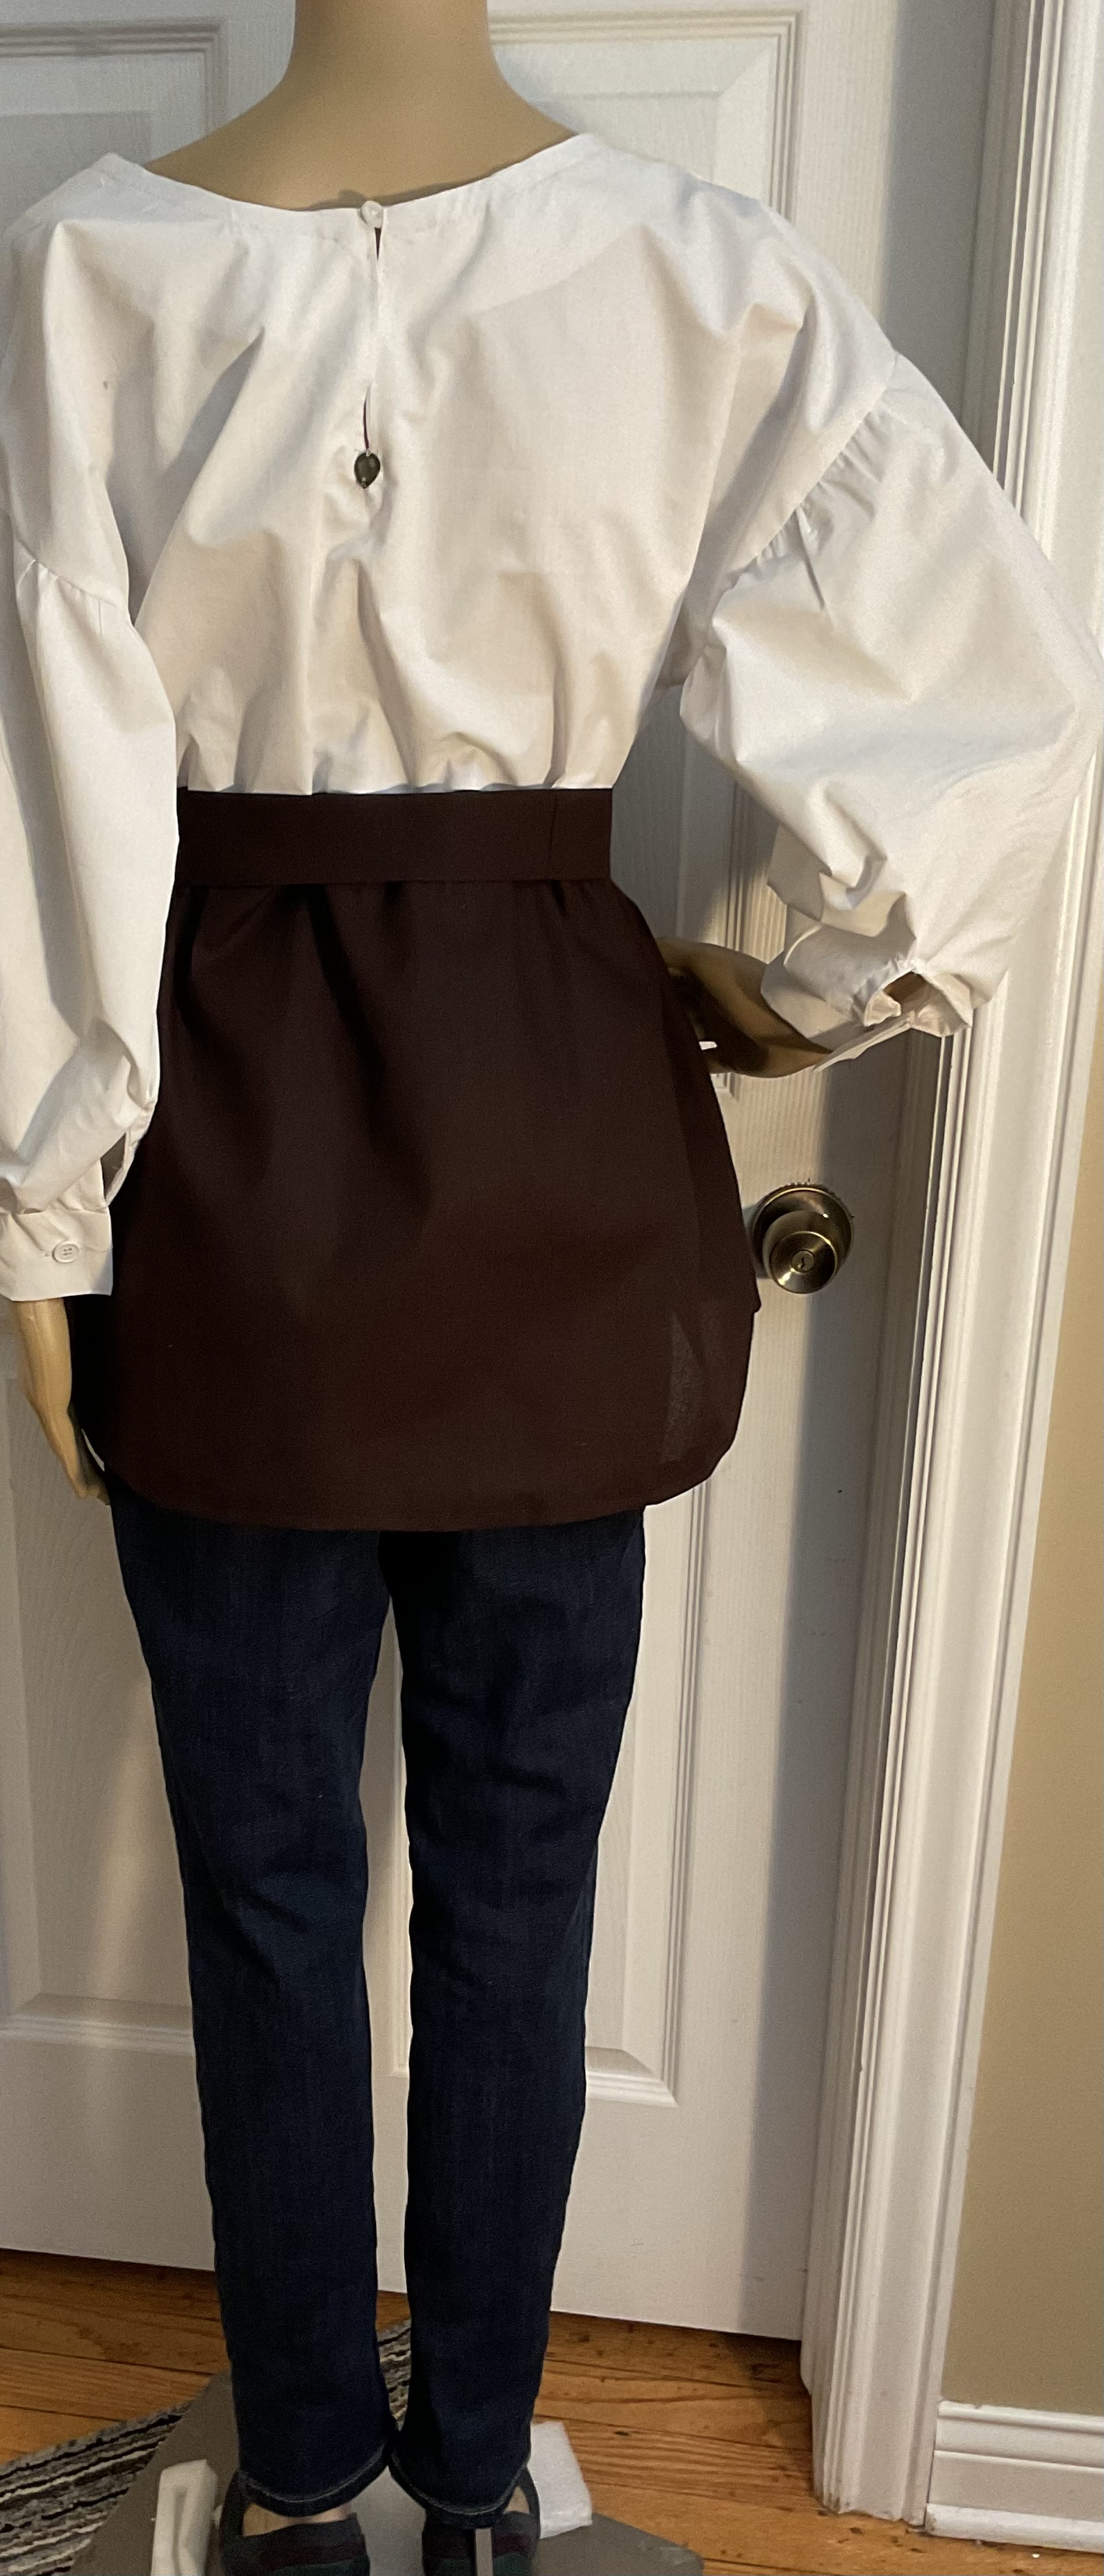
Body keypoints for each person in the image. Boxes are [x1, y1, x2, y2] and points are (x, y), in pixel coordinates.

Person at [1, 7, 1100, 2573]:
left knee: (270, 1874)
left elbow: (35, 767)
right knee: (518, 1867)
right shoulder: (698, 274)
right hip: (543, 1116)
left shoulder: (79, 283)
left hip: (228, 1130)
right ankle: (470, 2478)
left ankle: (307, 2484)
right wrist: (810, 982)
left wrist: (41, 1212)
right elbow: (987, 689)